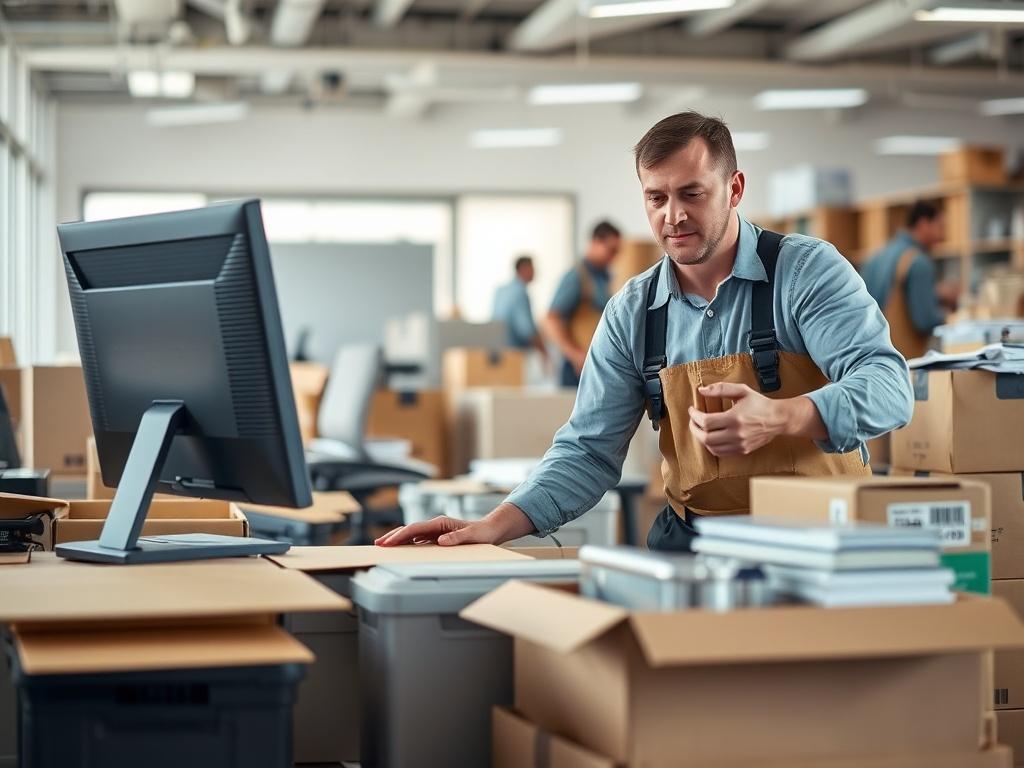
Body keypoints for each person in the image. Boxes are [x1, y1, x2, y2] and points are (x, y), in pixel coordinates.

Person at [378, 110, 912, 552]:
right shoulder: (631, 313)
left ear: (735, 188)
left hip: (826, 540)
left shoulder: (805, 271)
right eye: (656, 198)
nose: (673, 216)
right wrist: (491, 528)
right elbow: (588, 452)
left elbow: (890, 387)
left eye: (692, 194)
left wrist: (784, 415)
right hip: (699, 543)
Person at [861, 201, 959, 360]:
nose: (942, 236)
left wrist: (934, 294)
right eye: (939, 227)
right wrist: (954, 317)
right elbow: (924, 320)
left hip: (872, 355)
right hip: (903, 359)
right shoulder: (919, 262)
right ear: (923, 224)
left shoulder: (876, 257)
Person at [546, 221, 621, 387]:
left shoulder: (605, 278)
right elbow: (551, 319)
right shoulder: (576, 277)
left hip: (600, 364)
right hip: (578, 368)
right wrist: (575, 355)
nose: (613, 257)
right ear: (595, 242)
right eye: (611, 250)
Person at [491, 255, 549, 365]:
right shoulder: (520, 293)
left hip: (497, 354)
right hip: (515, 355)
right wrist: (544, 351)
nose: (535, 273)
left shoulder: (500, 291)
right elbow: (526, 330)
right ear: (523, 269)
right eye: (533, 269)